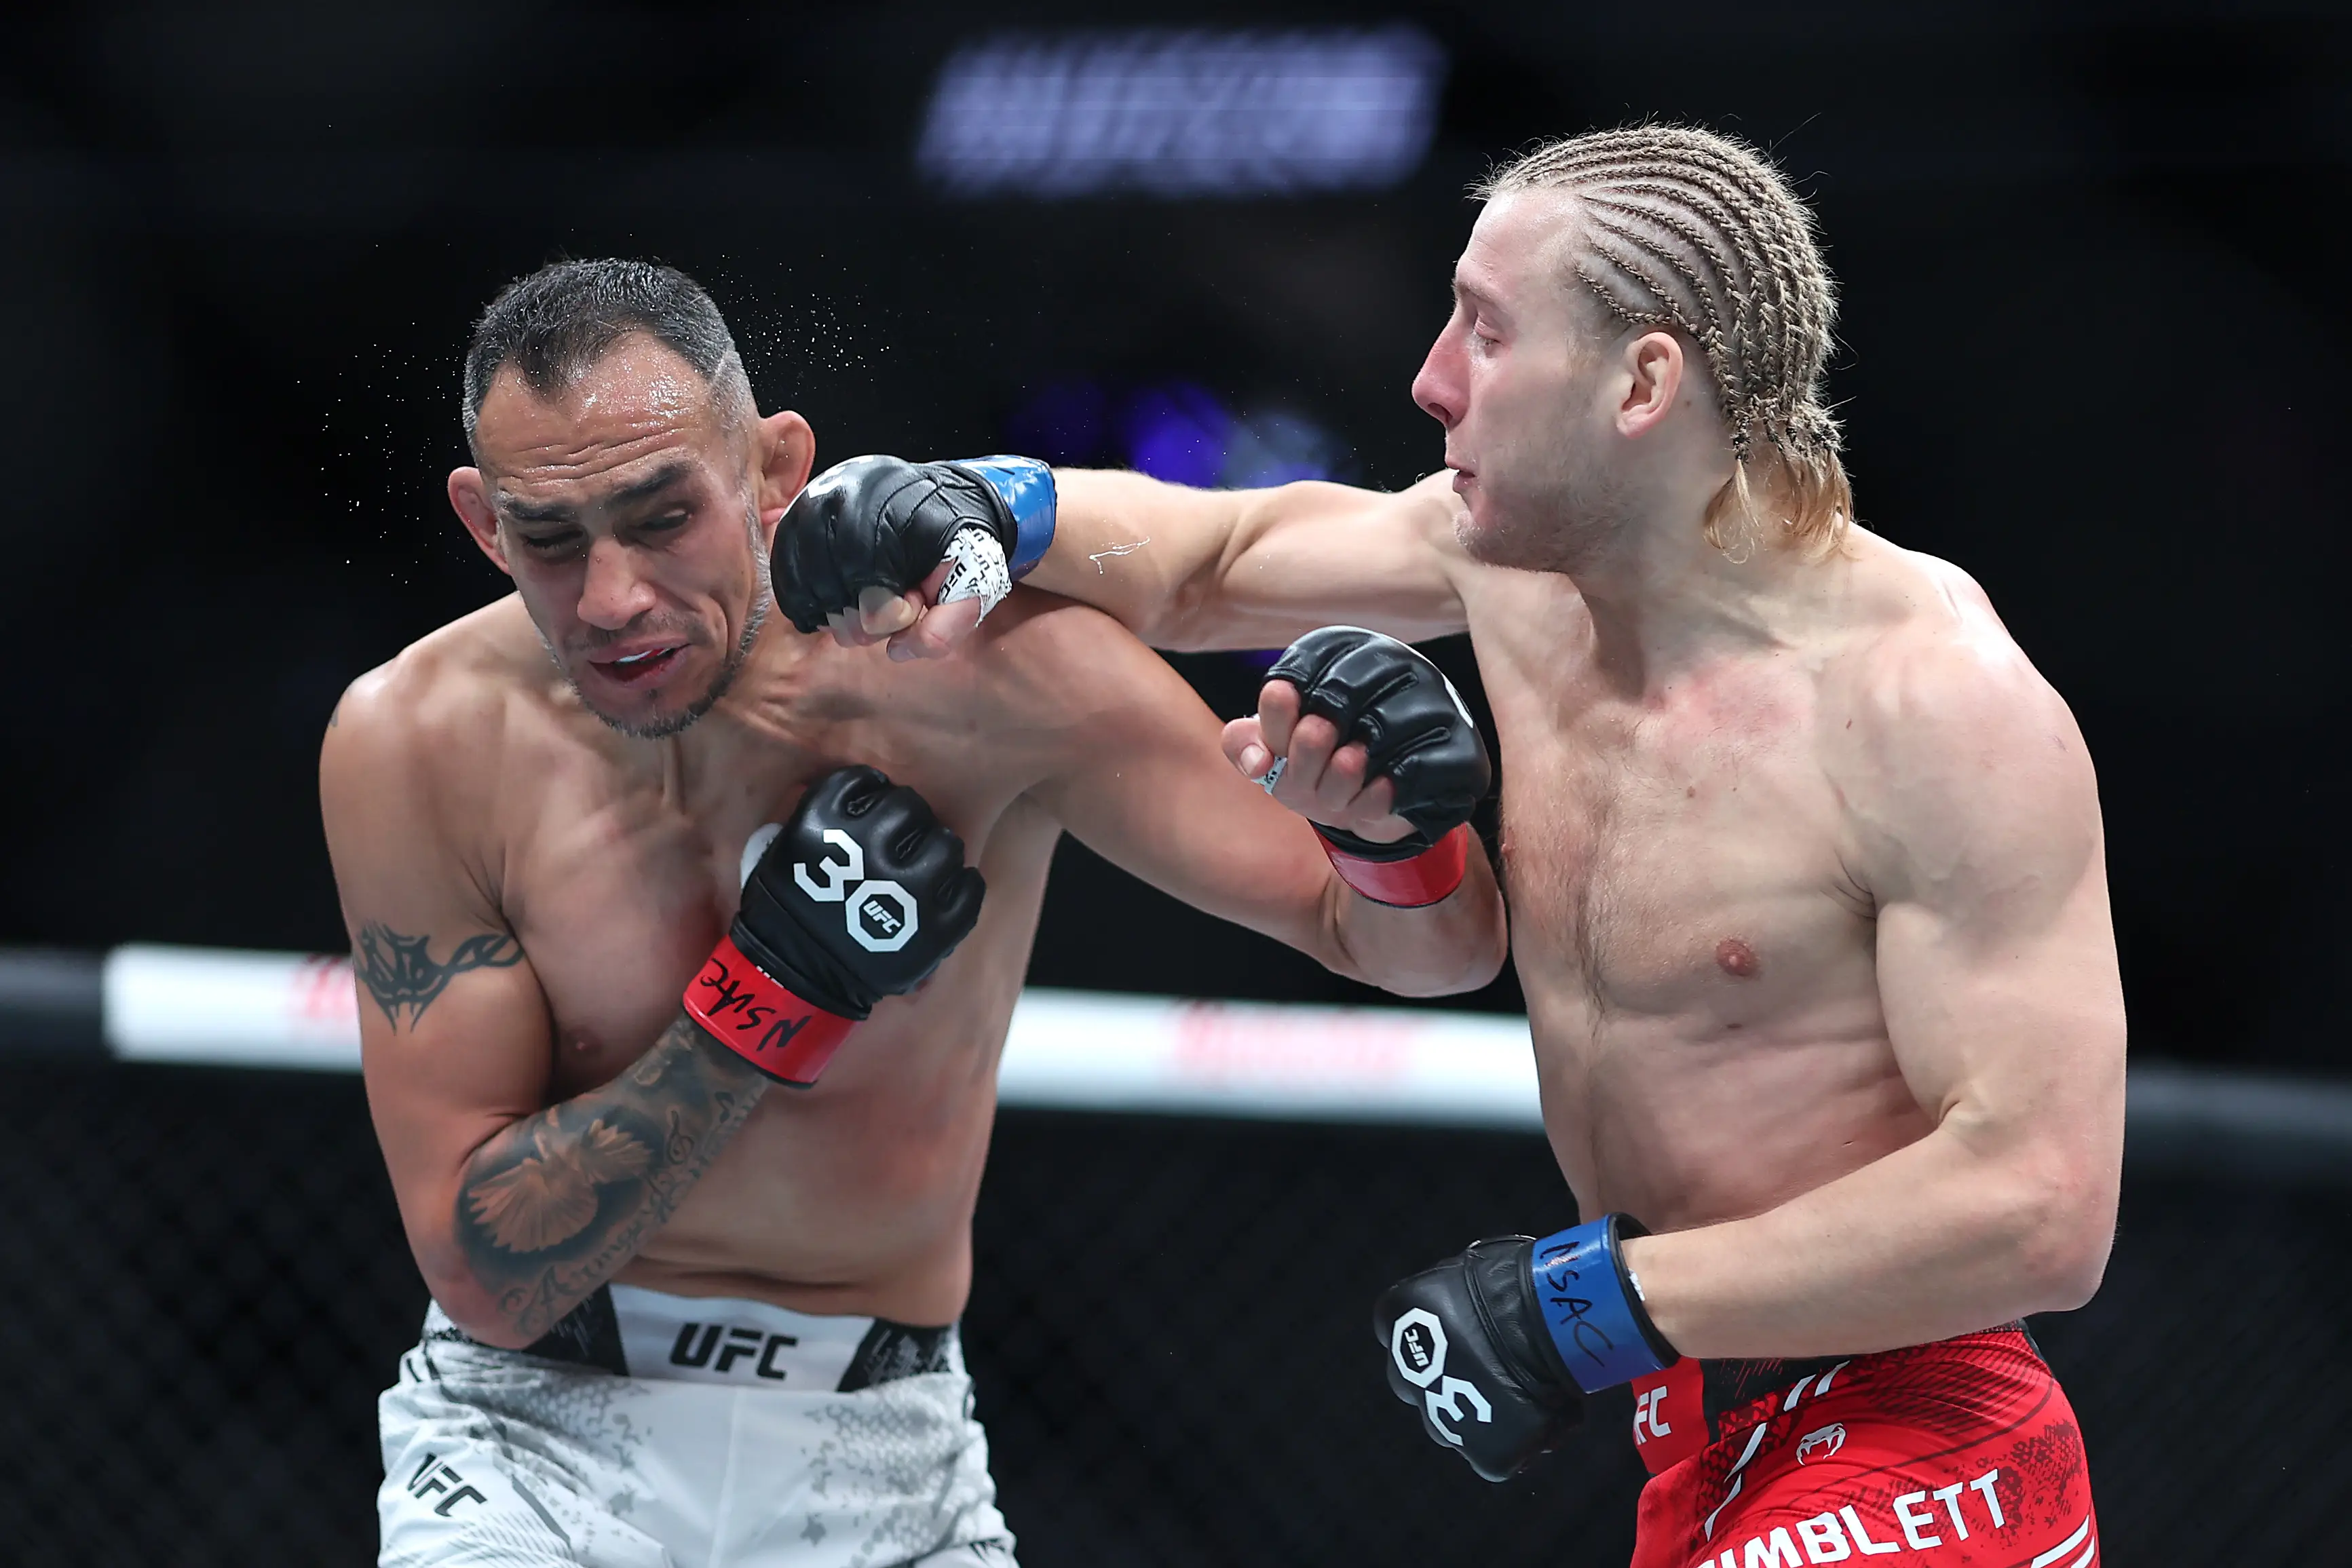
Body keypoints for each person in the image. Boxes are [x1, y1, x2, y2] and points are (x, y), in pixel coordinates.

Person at [775, 123, 2125, 1568]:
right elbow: (1215, 558)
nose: (1429, 378)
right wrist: (992, 503)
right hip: (1690, 1427)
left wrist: (1587, 1306)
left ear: (1640, 385)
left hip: (1921, 1429)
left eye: (1486, 330)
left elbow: (2041, 1208)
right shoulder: (1517, 574)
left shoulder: (1928, 704)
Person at [320, 259, 1507, 1568]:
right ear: (485, 524)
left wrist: (1388, 832)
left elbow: (1421, 951)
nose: (611, 598)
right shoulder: (420, 741)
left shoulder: (978, 674)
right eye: (551, 537)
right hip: (529, 1441)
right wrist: (770, 999)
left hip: (882, 1452)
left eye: (662, 518)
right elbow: (488, 1278)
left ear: (773, 469)